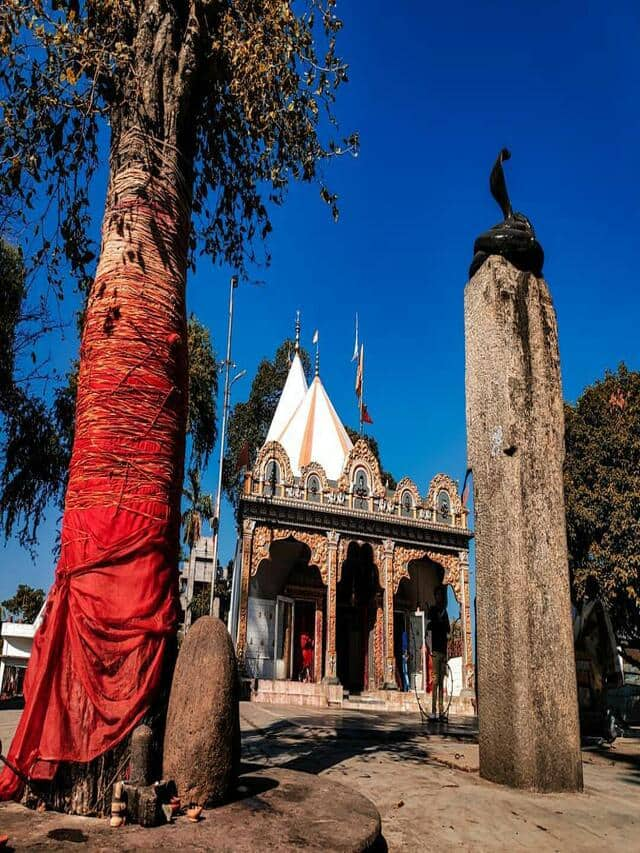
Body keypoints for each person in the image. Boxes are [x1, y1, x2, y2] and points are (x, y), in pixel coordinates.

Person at [427, 585, 450, 721]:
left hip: (443, 650)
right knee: (435, 681)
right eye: (438, 595)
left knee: (441, 682)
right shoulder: (433, 610)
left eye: (441, 595)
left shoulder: (444, 612)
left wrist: (443, 622)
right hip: (435, 650)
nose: (439, 597)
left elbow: (447, 629)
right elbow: (430, 627)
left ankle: (441, 711)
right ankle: (433, 710)